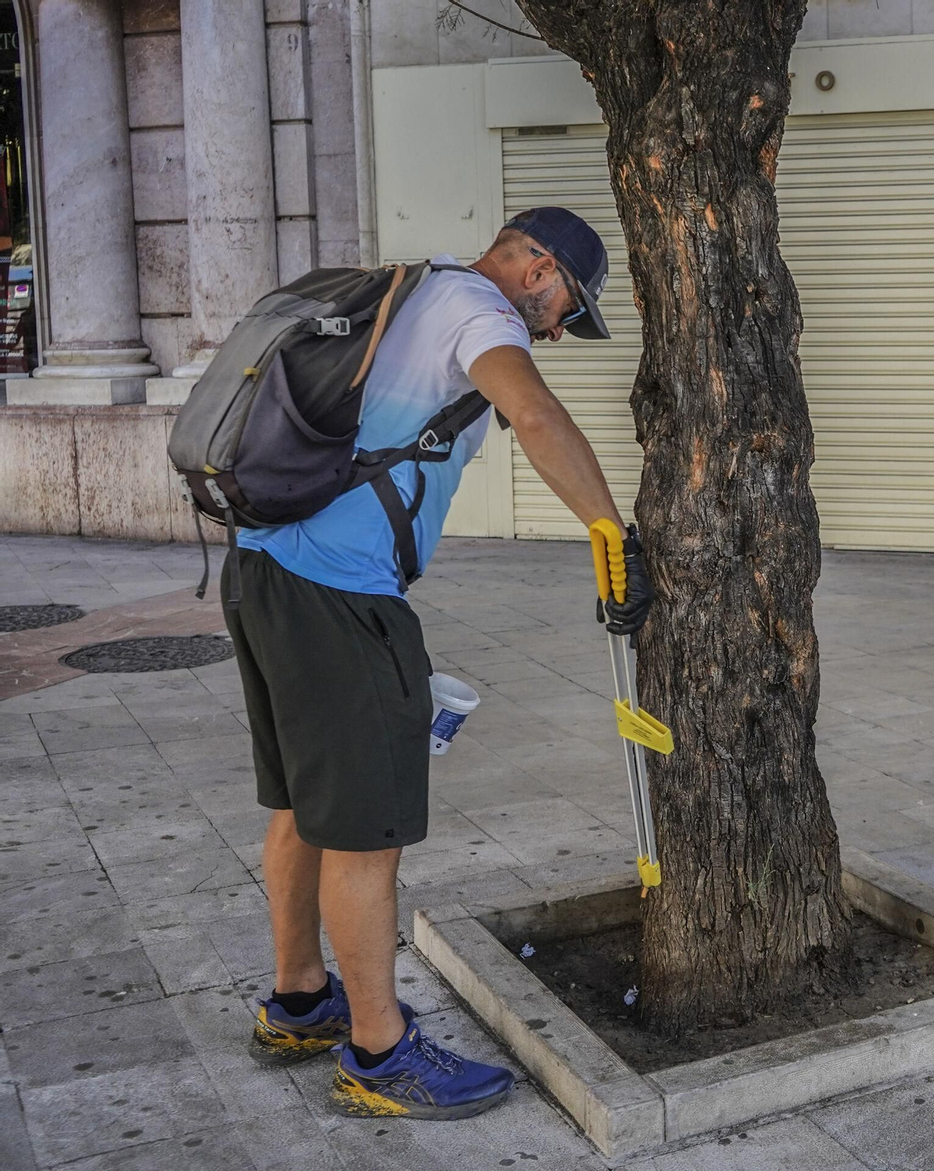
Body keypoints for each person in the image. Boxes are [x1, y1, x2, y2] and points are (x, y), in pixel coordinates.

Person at [230, 208, 653, 1118]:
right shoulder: (478, 308)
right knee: (364, 830)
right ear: (537, 270)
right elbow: (532, 412)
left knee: (302, 803)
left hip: (261, 565)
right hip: (340, 595)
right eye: (563, 312)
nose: (553, 334)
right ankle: (380, 1056)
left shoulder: (416, 286)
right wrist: (610, 530)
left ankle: (299, 1002)